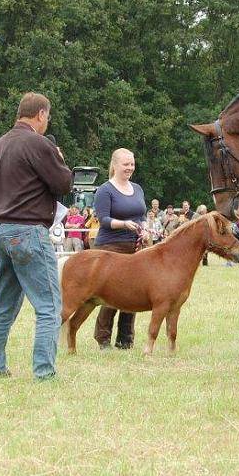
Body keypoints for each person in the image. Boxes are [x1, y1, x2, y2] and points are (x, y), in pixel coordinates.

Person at [0, 92, 72, 379]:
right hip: (28, 230)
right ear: (41, 114)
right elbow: (63, 183)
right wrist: (58, 160)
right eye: (48, 117)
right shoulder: (38, 143)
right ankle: (44, 372)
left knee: (4, 305)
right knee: (49, 306)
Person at [92, 148, 147, 350]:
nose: (130, 168)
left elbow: (142, 214)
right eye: (126, 164)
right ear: (114, 165)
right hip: (110, 247)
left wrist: (144, 227)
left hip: (135, 247)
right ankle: (103, 338)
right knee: (112, 296)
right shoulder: (105, 190)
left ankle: (125, 340)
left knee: (133, 295)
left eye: (132, 164)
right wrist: (124, 224)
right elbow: (103, 220)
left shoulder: (138, 189)